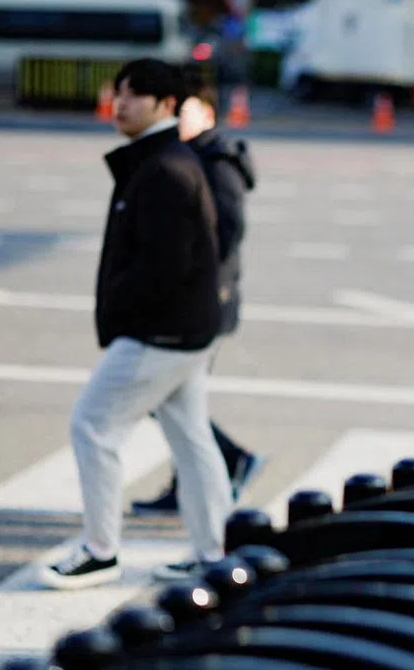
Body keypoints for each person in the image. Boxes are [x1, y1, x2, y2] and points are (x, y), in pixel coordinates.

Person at [37, 59, 234, 589]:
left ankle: (100, 549)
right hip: (187, 330)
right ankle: (211, 551)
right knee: (192, 439)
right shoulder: (164, 160)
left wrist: (123, 309)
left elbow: (163, 266)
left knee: (92, 426)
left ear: (166, 106)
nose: (120, 103)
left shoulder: (165, 168)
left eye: (135, 95)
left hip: (162, 333)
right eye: (119, 93)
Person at [131, 67, 264, 517]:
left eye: (181, 110)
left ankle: (227, 464)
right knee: (176, 400)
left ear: (206, 112)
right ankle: (192, 482)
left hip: (203, 302)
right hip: (192, 300)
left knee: (162, 394)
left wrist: (190, 274)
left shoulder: (215, 158)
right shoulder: (189, 154)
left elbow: (228, 229)